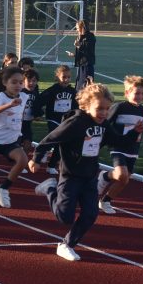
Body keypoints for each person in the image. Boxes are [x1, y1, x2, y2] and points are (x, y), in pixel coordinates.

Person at [30, 83, 114, 261]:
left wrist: (137, 131)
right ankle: (49, 188)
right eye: (99, 108)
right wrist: (37, 158)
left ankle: (66, 244)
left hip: (90, 176)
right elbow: (50, 139)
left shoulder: (105, 124)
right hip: (71, 175)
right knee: (65, 217)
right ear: (86, 106)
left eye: (107, 109)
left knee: (90, 214)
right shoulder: (76, 122)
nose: (104, 113)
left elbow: (117, 140)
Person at [97, 74, 143, 214]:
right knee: (121, 174)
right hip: (118, 146)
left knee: (124, 180)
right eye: (137, 93)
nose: (140, 96)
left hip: (133, 149)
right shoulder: (119, 107)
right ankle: (105, 177)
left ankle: (106, 200)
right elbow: (106, 123)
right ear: (127, 93)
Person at [0, 66, 29, 208]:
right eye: (14, 82)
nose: (18, 85)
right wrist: (9, 105)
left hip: (10, 141)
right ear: (5, 83)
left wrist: (20, 132)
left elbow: (20, 115)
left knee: (23, 160)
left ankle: (3, 188)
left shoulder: (24, 97)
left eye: (21, 82)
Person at [67, 20, 96, 90]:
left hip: (87, 66)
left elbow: (88, 51)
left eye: (77, 28)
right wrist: (74, 55)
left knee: (86, 87)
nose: (76, 30)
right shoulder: (80, 37)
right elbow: (82, 52)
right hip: (81, 65)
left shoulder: (90, 37)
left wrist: (78, 46)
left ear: (82, 27)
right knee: (78, 87)